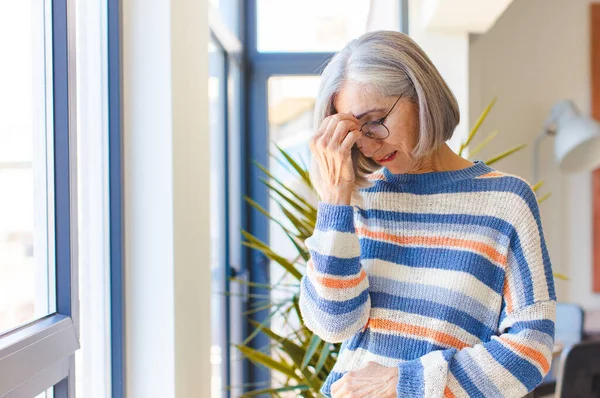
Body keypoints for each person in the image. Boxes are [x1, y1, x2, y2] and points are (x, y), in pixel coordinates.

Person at [298, 30, 556, 398]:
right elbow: (333, 324)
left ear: (421, 96)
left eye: (374, 121)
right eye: (355, 133)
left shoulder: (505, 201)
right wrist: (335, 202)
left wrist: (404, 383)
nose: (369, 146)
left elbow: (531, 348)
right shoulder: (358, 199)